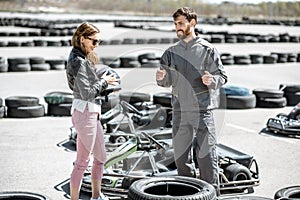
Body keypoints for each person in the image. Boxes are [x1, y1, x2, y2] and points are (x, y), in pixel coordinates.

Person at [156, 7, 227, 195]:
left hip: (202, 110)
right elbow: (166, 81)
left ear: (192, 23)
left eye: (180, 23)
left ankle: (211, 195)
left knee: (206, 157)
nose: (177, 27)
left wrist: (213, 80)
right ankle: (186, 195)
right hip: (179, 110)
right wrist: (161, 78)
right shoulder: (171, 52)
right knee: (181, 159)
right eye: (175, 24)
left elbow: (222, 76)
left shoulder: (207, 50)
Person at [66, 22, 119, 200]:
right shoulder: (77, 61)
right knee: (82, 162)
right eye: (94, 41)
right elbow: (88, 92)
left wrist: (105, 84)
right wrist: (104, 82)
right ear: (83, 38)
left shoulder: (82, 58)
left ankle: (96, 196)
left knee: (101, 158)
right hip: (84, 113)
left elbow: (87, 86)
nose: (96, 45)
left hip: (92, 113)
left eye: (99, 41)